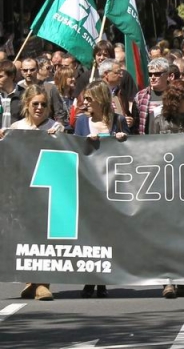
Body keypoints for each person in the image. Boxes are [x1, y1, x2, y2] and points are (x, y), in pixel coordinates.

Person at [0, 84, 64, 302]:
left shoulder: (56, 127)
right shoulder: (16, 128)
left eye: (44, 104)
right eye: (35, 104)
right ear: (26, 104)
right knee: (25, 237)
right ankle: (30, 281)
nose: (39, 108)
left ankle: (43, 283)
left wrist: (58, 138)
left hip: (47, 192)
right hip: (21, 192)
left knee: (44, 237)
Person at [147, 80, 184, 299]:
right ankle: (168, 280)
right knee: (165, 234)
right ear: (175, 100)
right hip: (165, 184)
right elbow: (148, 151)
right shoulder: (158, 122)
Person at [74, 80, 129, 299]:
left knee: (107, 235)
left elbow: (134, 151)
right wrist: (84, 142)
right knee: (89, 235)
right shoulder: (81, 123)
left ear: (101, 99)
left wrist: (123, 139)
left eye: (89, 99)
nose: (85, 103)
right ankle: (89, 280)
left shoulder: (118, 121)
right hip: (88, 183)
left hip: (112, 184)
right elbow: (70, 146)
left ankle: (104, 279)